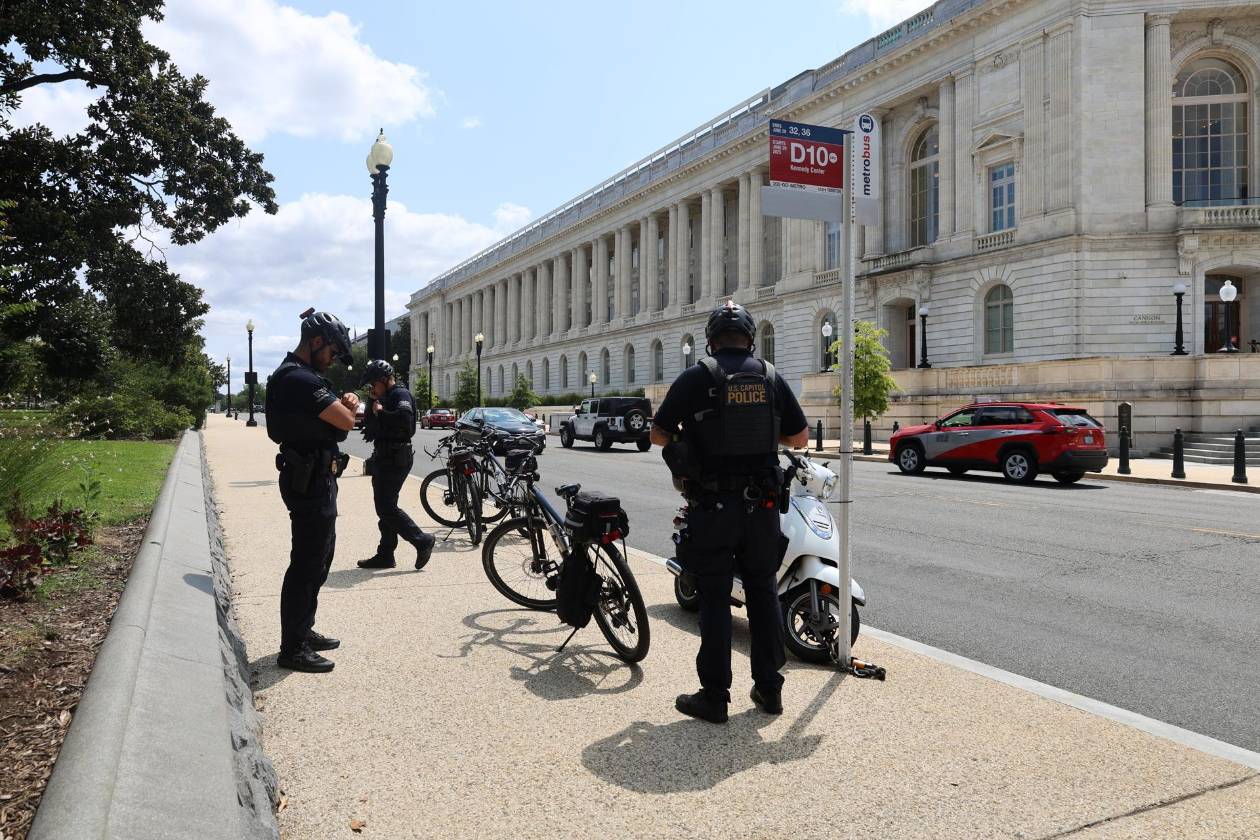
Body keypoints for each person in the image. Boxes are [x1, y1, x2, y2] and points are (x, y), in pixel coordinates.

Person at [650, 300, 809, 723]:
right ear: (751, 338)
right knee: (762, 592)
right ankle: (770, 690)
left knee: (716, 599)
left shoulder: (696, 377)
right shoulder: (771, 376)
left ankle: (715, 696)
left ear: (710, 339)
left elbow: (657, 434)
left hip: (713, 506)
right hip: (762, 506)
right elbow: (799, 438)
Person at [264, 309, 358, 673]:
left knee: (320, 559)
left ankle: (303, 629)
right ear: (317, 342)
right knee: (306, 563)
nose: (334, 359)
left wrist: (340, 417)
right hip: (309, 479)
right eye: (333, 351)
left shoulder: (303, 377)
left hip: (315, 476)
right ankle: (293, 648)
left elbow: (337, 428)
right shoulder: (299, 379)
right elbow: (346, 421)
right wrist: (346, 408)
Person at [357, 359, 436, 571]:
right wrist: (372, 403)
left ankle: (422, 540)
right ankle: (385, 554)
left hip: (396, 457)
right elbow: (370, 426)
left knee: (386, 507)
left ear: (384, 379)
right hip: (385, 456)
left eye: (373, 384)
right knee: (384, 508)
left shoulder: (400, 395)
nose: (372, 388)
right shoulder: (383, 396)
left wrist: (381, 411)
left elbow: (404, 419)